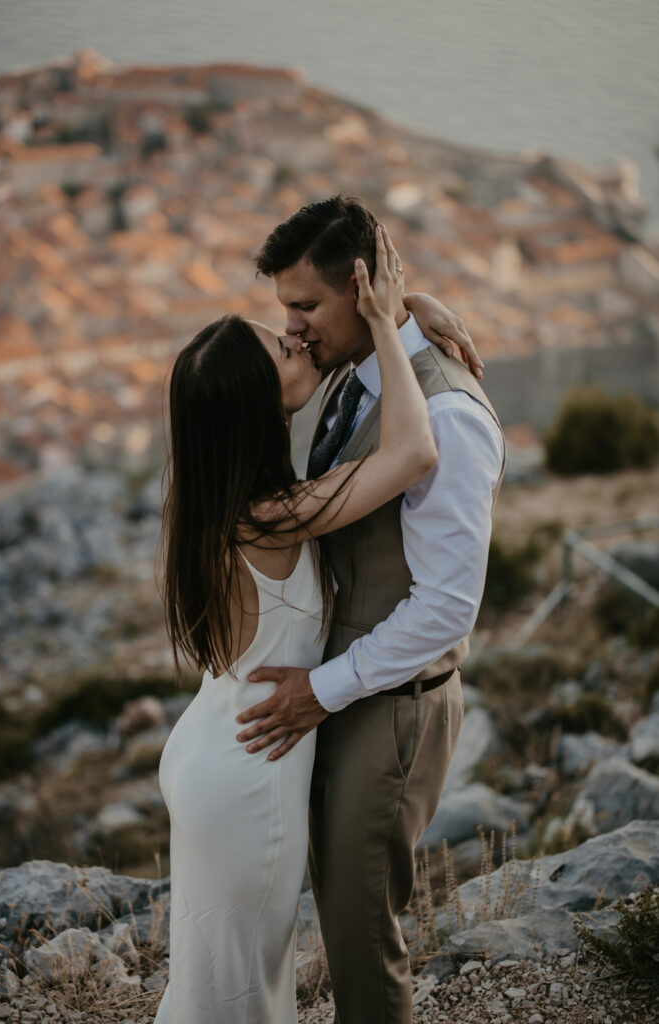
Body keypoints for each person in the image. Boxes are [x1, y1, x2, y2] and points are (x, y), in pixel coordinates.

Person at [153, 224, 476, 1023]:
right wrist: (393, 323)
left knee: (217, 977)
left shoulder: (225, 493)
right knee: (240, 991)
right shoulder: (272, 515)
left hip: (215, 743)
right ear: (258, 403)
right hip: (248, 773)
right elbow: (411, 453)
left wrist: (410, 311)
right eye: (283, 350)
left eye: (295, 326)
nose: (298, 342)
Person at [235, 195, 506, 1024]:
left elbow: (447, 608)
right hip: (348, 692)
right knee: (340, 912)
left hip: (389, 705)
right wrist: (413, 309)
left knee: (360, 935)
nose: (293, 327)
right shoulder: (366, 370)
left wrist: (321, 690)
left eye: (306, 305)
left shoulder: (449, 418)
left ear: (362, 288)